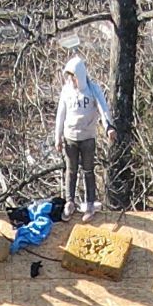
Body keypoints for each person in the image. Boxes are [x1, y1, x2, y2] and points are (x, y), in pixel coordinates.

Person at [53, 54, 109, 215]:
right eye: (70, 78)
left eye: (74, 77)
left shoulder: (92, 90)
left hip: (88, 138)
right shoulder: (66, 91)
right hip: (70, 138)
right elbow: (60, 115)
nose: (72, 81)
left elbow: (102, 108)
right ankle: (70, 202)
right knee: (71, 171)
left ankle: (90, 203)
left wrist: (108, 127)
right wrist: (58, 137)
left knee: (88, 170)